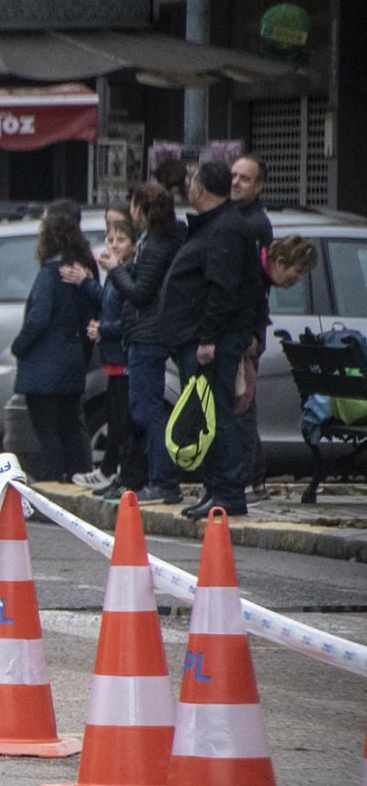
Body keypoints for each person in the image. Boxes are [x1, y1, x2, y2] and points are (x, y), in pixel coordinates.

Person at [153, 160, 263, 518]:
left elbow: (222, 289)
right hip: (197, 338)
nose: (188, 186)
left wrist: (208, 339)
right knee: (206, 417)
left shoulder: (226, 228)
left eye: (191, 181)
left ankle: (229, 491)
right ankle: (214, 488)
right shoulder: (213, 224)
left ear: (200, 188)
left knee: (217, 415)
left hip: (212, 342)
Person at [105, 183, 187, 505]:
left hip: (147, 336)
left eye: (134, 206)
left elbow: (140, 292)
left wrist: (116, 270)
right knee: (143, 410)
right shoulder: (155, 242)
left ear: (144, 209)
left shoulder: (156, 245)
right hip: (143, 334)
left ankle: (163, 480)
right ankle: (155, 478)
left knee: (146, 410)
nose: (131, 212)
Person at [12, 201, 98, 484]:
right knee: (72, 426)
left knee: (48, 431)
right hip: (72, 360)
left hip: (44, 368)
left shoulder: (49, 274)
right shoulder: (82, 271)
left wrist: (19, 346)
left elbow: (38, 320)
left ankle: (51, 481)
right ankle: (78, 476)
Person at [86, 218, 141, 498]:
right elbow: (108, 304)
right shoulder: (113, 273)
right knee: (116, 418)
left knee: (125, 421)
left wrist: (103, 330)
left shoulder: (129, 274)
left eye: (121, 240)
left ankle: (124, 474)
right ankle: (115, 472)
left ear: (134, 244)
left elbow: (130, 318)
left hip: (125, 358)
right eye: (110, 240)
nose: (114, 245)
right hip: (112, 358)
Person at [229, 155, 274, 496]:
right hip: (239, 327)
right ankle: (253, 474)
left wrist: (252, 332)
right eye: (233, 175)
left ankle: (248, 477)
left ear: (258, 187)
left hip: (246, 330)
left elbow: (257, 285)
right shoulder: (235, 217)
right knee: (241, 402)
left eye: (244, 178)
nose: (235, 182)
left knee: (242, 402)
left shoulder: (255, 224)